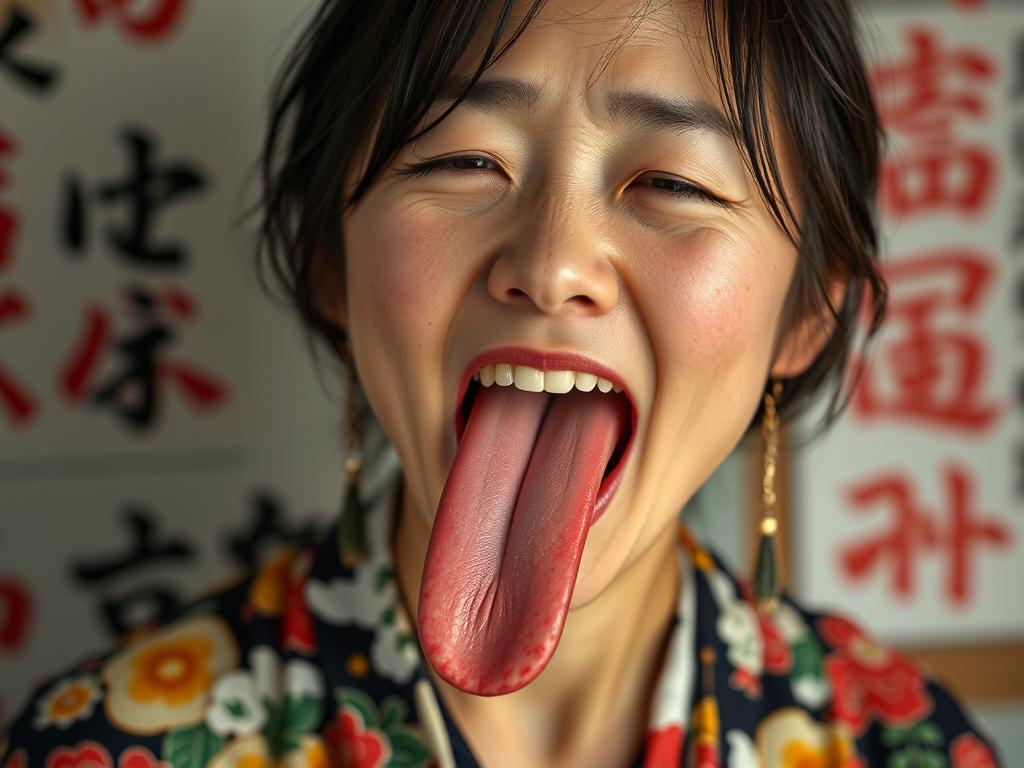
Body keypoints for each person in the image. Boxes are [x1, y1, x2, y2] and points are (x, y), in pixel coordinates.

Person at [0, 0, 1003, 766]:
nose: (553, 262)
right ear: (330, 261)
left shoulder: (902, 745)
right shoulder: (110, 745)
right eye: (464, 159)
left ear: (804, 315)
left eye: (672, 184)